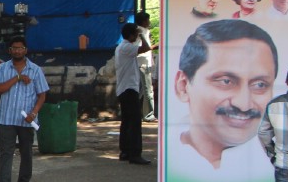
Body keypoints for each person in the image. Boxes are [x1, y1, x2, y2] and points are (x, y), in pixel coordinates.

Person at [172, 19, 277, 172]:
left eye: (260, 85)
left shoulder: (275, 168)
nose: (243, 104)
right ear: (183, 86)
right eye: (226, 81)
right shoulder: (174, 158)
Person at [0, 36, 49, 182]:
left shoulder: (35, 70)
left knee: (26, 153)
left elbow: (42, 95)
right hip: (6, 119)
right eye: (14, 48)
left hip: (26, 120)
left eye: (20, 48)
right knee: (6, 153)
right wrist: (17, 78)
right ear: (10, 50)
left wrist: (34, 113)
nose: (17, 51)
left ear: (26, 50)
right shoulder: (3, 67)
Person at [115, 23, 152, 165]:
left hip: (124, 89)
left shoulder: (121, 47)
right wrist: (143, 34)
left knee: (126, 121)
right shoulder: (127, 47)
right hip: (129, 88)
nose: (137, 36)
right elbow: (147, 47)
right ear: (131, 35)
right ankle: (135, 153)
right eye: (135, 33)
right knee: (135, 122)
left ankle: (125, 151)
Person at [135, 11, 157, 120]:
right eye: (148, 20)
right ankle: (148, 115)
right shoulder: (140, 32)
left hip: (144, 63)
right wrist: (155, 46)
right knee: (148, 89)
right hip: (142, 63)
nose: (149, 22)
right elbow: (142, 48)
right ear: (144, 21)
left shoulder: (144, 31)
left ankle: (141, 112)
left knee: (142, 90)